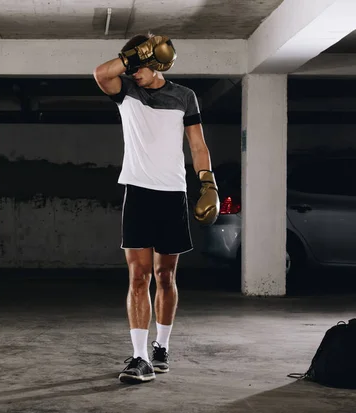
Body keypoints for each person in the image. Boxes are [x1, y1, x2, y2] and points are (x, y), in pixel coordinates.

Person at [93, 33, 219, 384]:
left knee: (165, 276)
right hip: (138, 191)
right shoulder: (126, 90)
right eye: (131, 66)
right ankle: (139, 357)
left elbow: (197, 145)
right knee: (138, 277)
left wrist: (208, 183)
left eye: (140, 67)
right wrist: (131, 56)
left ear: (158, 64)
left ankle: (161, 347)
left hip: (172, 193)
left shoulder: (184, 97)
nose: (134, 73)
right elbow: (101, 73)